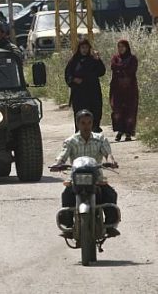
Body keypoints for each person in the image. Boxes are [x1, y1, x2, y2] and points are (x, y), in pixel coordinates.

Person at [52, 109, 120, 238]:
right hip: (76, 178)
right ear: (77, 124)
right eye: (83, 123)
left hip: (96, 178)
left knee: (110, 194)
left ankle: (110, 225)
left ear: (92, 123)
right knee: (67, 196)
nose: (86, 126)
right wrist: (58, 163)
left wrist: (112, 161)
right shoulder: (71, 141)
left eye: (89, 123)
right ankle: (67, 226)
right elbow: (63, 155)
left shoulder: (100, 139)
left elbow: (108, 154)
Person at [65, 39, 106, 132]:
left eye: (86, 48)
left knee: (95, 111)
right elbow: (68, 75)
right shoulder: (74, 61)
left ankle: (94, 130)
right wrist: (74, 79)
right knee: (80, 114)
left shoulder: (93, 60)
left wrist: (98, 60)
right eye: (82, 47)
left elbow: (101, 72)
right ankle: (80, 133)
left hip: (93, 92)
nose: (84, 50)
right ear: (79, 49)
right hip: (79, 94)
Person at [110, 39, 139, 141]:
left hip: (130, 89)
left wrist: (121, 69)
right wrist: (122, 69)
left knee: (130, 110)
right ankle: (120, 131)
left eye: (123, 47)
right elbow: (113, 67)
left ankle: (128, 132)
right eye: (119, 47)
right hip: (117, 89)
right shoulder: (115, 58)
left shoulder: (132, 58)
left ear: (127, 47)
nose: (121, 49)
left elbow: (131, 70)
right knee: (117, 110)